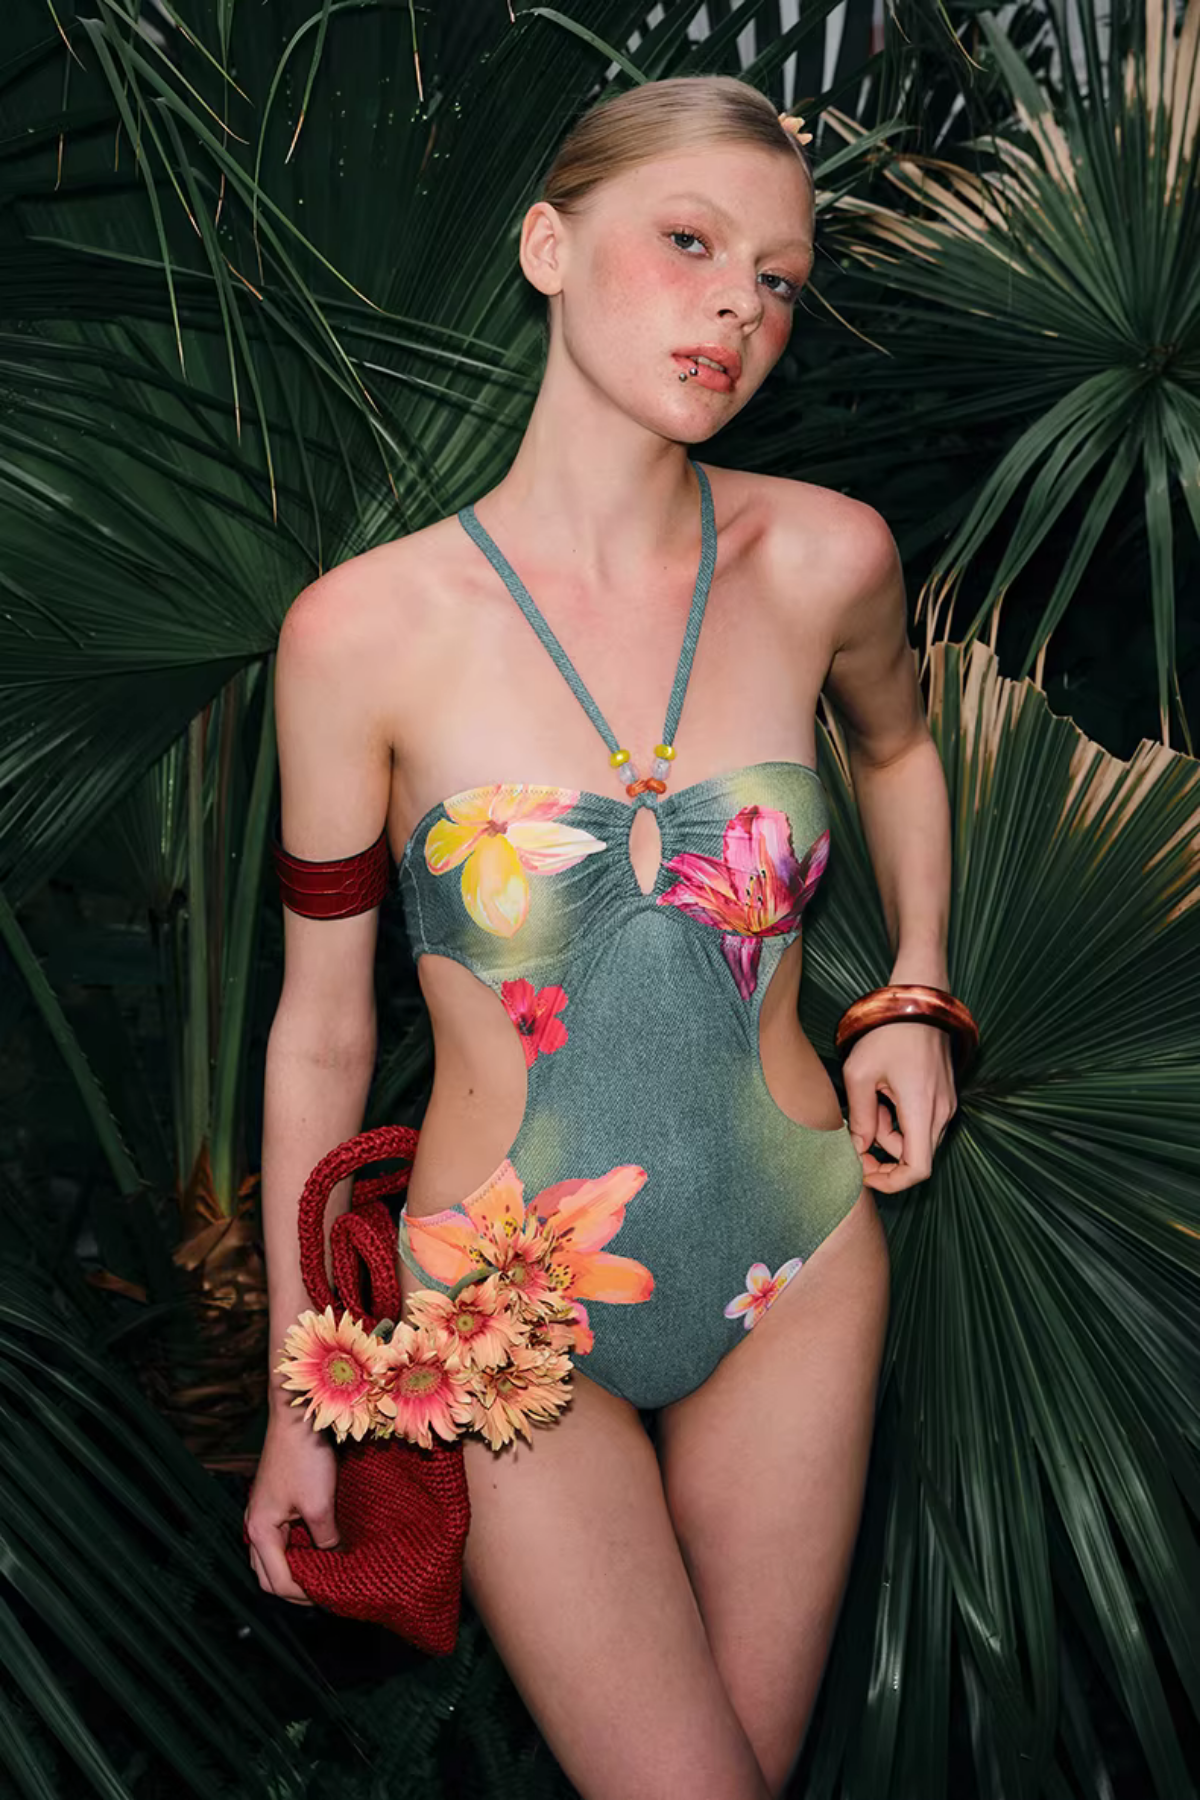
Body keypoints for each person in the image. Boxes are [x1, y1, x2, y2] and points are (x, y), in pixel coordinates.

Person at [245, 74, 960, 1800]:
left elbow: (900, 746)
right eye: (692, 243)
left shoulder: (825, 559)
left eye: (780, 279)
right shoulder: (362, 635)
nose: (739, 306)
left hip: (795, 1265)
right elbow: (325, 1031)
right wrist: (299, 1383)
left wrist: (917, 993)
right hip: (496, 1319)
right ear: (548, 247)